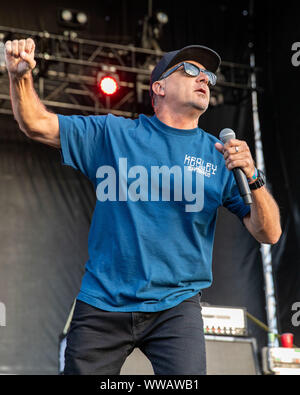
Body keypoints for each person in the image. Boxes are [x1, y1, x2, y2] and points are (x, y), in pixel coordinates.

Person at [4, 38, 281, 375]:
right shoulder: (113, 134)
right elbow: (36, 123)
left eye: (208, 74)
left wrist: (253, 177)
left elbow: (269, 232)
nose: (204, 78)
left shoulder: (219, 155)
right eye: (191, 70)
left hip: (176, 305)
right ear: (159, 87)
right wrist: (19, 77)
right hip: (103, 299)